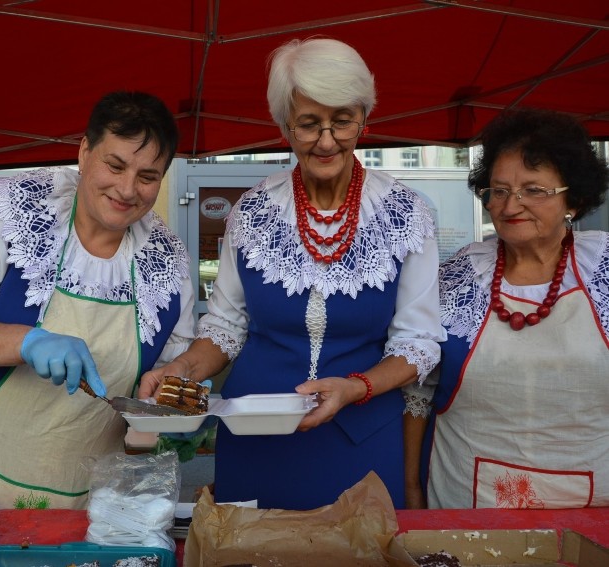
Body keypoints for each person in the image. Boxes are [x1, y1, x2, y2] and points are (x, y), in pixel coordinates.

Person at [139, 37, 445, 511]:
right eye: (309, 124)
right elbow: (224, 328)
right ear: (285, 126)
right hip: (256, 433)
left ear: (364, 117)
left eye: (342, 121)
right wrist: (181, 370)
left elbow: (419, 342)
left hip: (362, 435)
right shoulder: (252, 212)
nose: (327, 140)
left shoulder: (405, 213)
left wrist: (355, 387)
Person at [0, 90, 195, 510]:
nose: (127, 189)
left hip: (97, 497)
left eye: (148, 177)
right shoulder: (9, 209)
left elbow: (164, 377)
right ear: (84, 152)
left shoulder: (166, 260)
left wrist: (174, 398)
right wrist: (26, 342)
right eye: (114, 165)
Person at [416, 108, 609, 509]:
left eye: (533, 190)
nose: (510, 205)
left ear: (573, 198)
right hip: (465, 501)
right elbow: (416, 392)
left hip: (595, 507)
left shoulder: (602, 269)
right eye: (498, 191)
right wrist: (410, 490)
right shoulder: (458, 278)